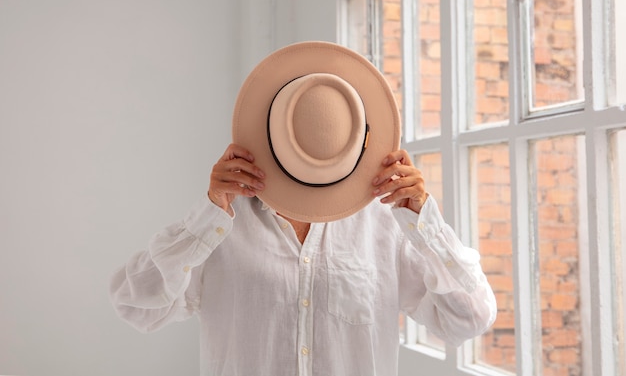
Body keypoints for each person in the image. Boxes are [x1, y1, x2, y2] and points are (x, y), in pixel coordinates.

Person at [110, 42, 496, 376]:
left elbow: (469, 319)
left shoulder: (386, 225)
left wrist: (425, 223)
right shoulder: (221, 224)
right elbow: (134, 304)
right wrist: (207, 215)